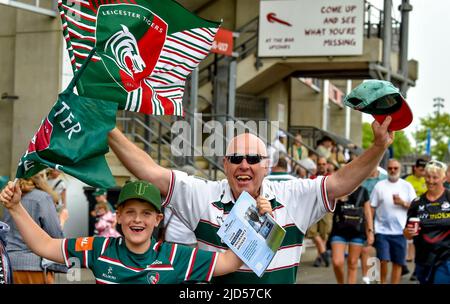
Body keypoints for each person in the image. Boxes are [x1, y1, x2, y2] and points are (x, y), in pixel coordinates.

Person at [107, 116, 394, 283]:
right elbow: (148, 170)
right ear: (224, 164)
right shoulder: (203, 194)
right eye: (235, 158)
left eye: (253, 159)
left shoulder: (292, 196)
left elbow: (342, 181)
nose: (244, 164)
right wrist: (110, 128)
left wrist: (379, 146)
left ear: (266, 166)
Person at [0, 180, 251, 284]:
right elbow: (44, 245)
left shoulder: (177, 257)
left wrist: (260, 223)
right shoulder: (99, 249)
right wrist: (15, 207)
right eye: (130, 212)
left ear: (157, 219)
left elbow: (229, 261)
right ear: (118, 216)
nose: (137, 220)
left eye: (146, 213)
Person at [2, 177, 64, 284]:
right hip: (35, 266)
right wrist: (62, 220)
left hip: (8, 265)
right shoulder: (43, 198)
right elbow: (54, 234)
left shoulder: (8, 197)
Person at [370, 159, 417, 284]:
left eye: (395, 168)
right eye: (390, 168)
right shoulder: (379, 185)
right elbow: (371, 207)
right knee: (383, 260)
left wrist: (402, 202)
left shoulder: (406, 186)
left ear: (400, 169)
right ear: (387, 168)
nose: (393, 170)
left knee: (398, 262)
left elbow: (414, 207)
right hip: (381, 230)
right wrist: (369, 229)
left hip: (401, 231)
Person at [404, 161, 450, 284]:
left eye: (435, 177)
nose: (430, 180)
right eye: (428, 176)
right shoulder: (417, 203)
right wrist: (409, 232)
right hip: (423, 258)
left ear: (444, 178)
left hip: (446, 258)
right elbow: (406, 233)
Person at [330, 185, 374, 284]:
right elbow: (327, 208)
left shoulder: (363, 190)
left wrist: (370, 232)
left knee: (353, 263)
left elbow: (367, 212)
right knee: (337, 262)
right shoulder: (339, 188)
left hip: (357, 231)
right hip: (339, 229)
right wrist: (337, 199)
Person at [360, 166, 387, 283]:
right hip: (364, 216)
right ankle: (367, 277)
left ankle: (375, 276)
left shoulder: (384, 179)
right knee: (367, 247)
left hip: (381, 218)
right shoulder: (362, 180)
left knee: (379, 250)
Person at [308, 156, 333, 267]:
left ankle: (319, 257)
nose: (322, 166)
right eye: (319, 164)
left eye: (324, 164)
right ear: (316, 165)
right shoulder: (312, 178)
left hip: (326, 208)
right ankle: (323, 252)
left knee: (324, 234)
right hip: (313, 207)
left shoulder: (331, 178)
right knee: (312, 232)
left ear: (327, 165)